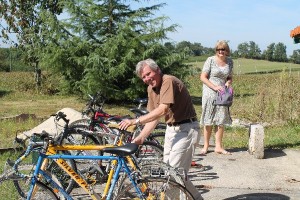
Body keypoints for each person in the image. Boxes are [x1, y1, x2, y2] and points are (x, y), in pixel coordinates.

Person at [118, 58, 203, 200]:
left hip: (186, 129)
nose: (146, 79)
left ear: (157, 70)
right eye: (143, 77)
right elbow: (154, 118)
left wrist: (135, 121)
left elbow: (163, 110)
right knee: (173, 173)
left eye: (148, 74)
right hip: (172, 131)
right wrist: (140, 138)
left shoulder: (168, 81)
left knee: (173, 176)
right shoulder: (151, 89)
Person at [200, 40, 233, 155]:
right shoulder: (210, 60)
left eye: (223, 49)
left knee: (220, 119)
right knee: (208, 119)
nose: (221, 51)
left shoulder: (230, 62)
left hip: (223, 93)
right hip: (210, 91)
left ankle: (218, 146)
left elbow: (229, 77)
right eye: (219, 49)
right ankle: (206, 146)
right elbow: (203, 77)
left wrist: (228, 82)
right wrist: (214, 87)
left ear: (227, 51)